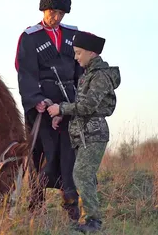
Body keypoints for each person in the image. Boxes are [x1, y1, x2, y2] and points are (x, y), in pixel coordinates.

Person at [15, 0, 84, 221]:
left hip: (68, 105)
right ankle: (35, 203)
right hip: (40, 105)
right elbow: (25, 72)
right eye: (52, 11)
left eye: (61, 13)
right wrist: (37, 100)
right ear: (44, 8)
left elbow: (81, 69)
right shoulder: (29, 37)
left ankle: (71, 201)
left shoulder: (74, 35)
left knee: (70, 154)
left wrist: (78, 102)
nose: (56, 17)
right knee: (38, 154)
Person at [47, 31, 121, 232]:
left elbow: (87, 106)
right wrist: (64, 115)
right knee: (82, 175)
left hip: (93, 134)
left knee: (82, 174)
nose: (76, 57)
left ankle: (93, 222)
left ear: (92, 53)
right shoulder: (88, 75)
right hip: (82, 133)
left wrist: (61, 108)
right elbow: (82, 105)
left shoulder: (100, 77)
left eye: (79, 53)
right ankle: (88, 220)